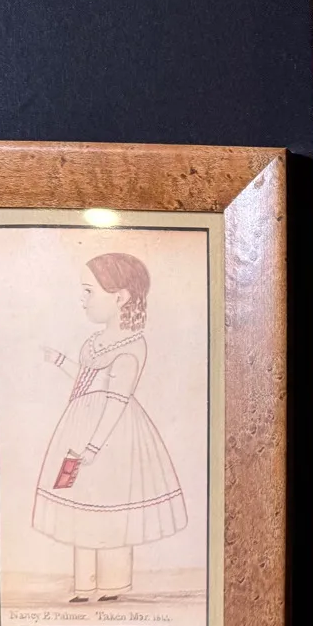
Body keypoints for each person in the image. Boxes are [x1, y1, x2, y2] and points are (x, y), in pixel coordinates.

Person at [33, 252, 187, 603]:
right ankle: (84, 585)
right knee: (80, 503)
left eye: (89, 291)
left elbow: (116, 399)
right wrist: (58, 360)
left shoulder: (132, 345)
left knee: (112, 502)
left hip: (113, 434)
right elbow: (88, 380)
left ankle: (112, 586)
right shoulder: (96, 341)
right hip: (81, 423)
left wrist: (93, 446)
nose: (82, 299)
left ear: (121, 297)